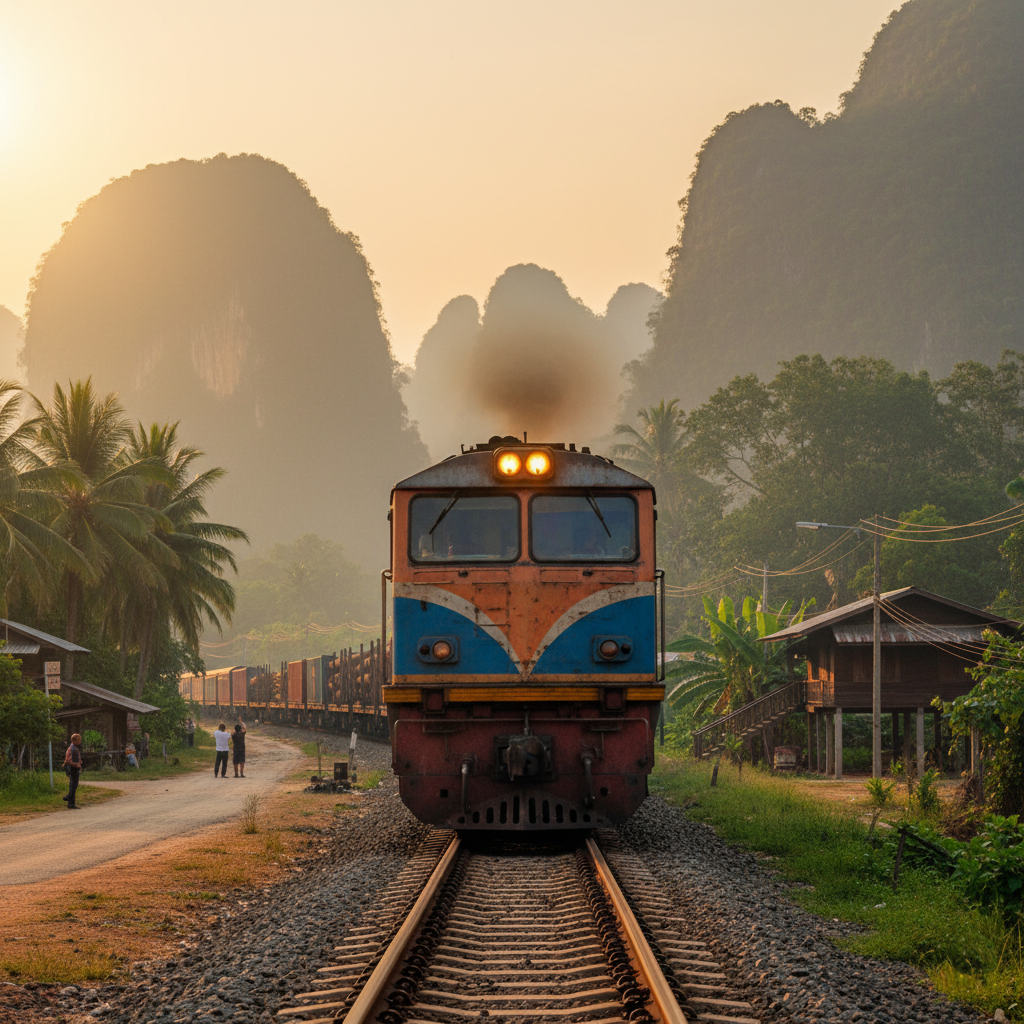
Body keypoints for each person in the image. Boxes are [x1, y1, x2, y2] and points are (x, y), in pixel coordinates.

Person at [62, 733, 82, 809]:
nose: (80, 741)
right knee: (73, 786)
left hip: (74, 769)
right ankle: (71, 803)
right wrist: (76, 765)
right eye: (79, 740)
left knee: (74, 785)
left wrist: (79, 761)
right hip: (72, 769)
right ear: (75, 740)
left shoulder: (74, 748)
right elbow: (68, 760)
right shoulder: (72, 748)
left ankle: (69, 797)